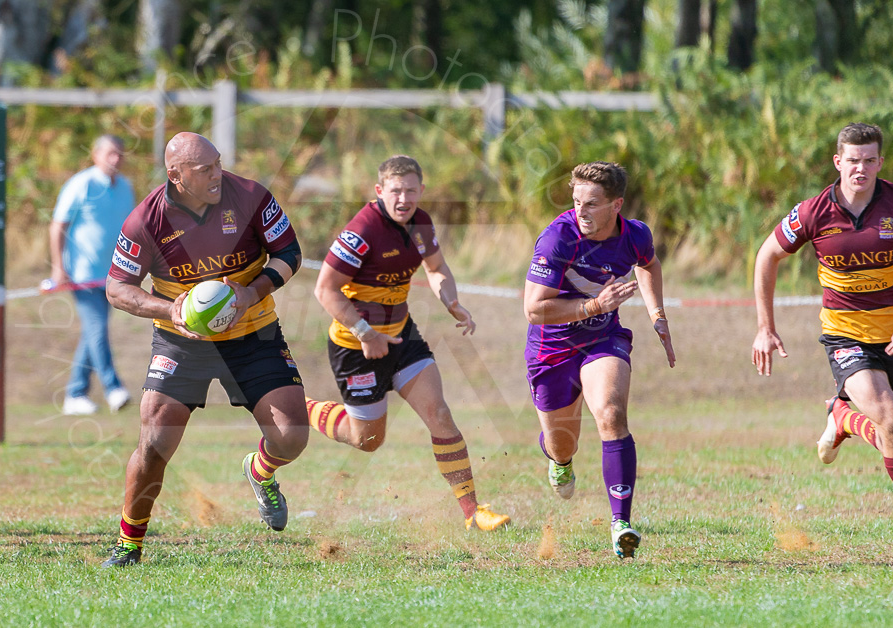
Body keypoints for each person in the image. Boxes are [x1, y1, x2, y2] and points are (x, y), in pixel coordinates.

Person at [752, 123, 893, 561]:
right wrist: (764, 327)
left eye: (869, 160)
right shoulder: (814, 212)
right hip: (846, 336)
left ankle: (842, 416)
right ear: (838, 162)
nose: (860, 168)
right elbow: (766, 256)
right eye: (853, 160)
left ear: (880, 162)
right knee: (891, 419)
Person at [100, 132, 308, 567]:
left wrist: (252, 294)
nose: (217, 174)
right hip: (182, 342)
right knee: (155, 440)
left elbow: (289, 253)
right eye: (204, 169)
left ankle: (261, 470)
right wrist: (168, 309)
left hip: (253, 332)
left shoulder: (250, 196)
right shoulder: (146, 220)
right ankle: (129, 545)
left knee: (291, 437)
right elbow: (117, 289)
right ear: (176, 175)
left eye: (217, 163)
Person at [307, 155, 510, 532]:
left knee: (440, 414)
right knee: (366, 440)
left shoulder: (420, 223)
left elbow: (436, 269)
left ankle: (472, 512)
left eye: (411, 190)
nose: (404, 198)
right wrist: (365, 333)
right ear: (379, 191)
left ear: (421, 191)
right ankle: (304, 410)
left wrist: (452, 302)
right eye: (396, 191)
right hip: (356, 347)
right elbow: (325, 289)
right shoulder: (362, 230)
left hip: (402, 336)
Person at [523, 161, 676, 560]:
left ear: (616, 205)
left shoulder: (635, 234)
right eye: (576, 202)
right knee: (561, 443)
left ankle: (620, 523)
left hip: (602, 340)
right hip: (550, 348)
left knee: (610, 414)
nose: (581, 212)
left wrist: (657, 315)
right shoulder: (558, 238)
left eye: (591, 204)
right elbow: (534, 309)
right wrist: (593, 304)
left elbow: (649, 264)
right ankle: (559, 460)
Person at [49, 135, 133, 415]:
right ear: (96, 155)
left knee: (91, 334)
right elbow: (58, 225)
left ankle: (75, 393)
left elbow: (130, 230)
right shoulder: (81, 184)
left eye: (120, 154)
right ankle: (113, 388)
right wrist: (58, 267)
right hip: (82, 275)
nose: (116, 159)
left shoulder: (125, 187)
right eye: (110, 153)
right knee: (97, 329)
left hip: (113, 276)